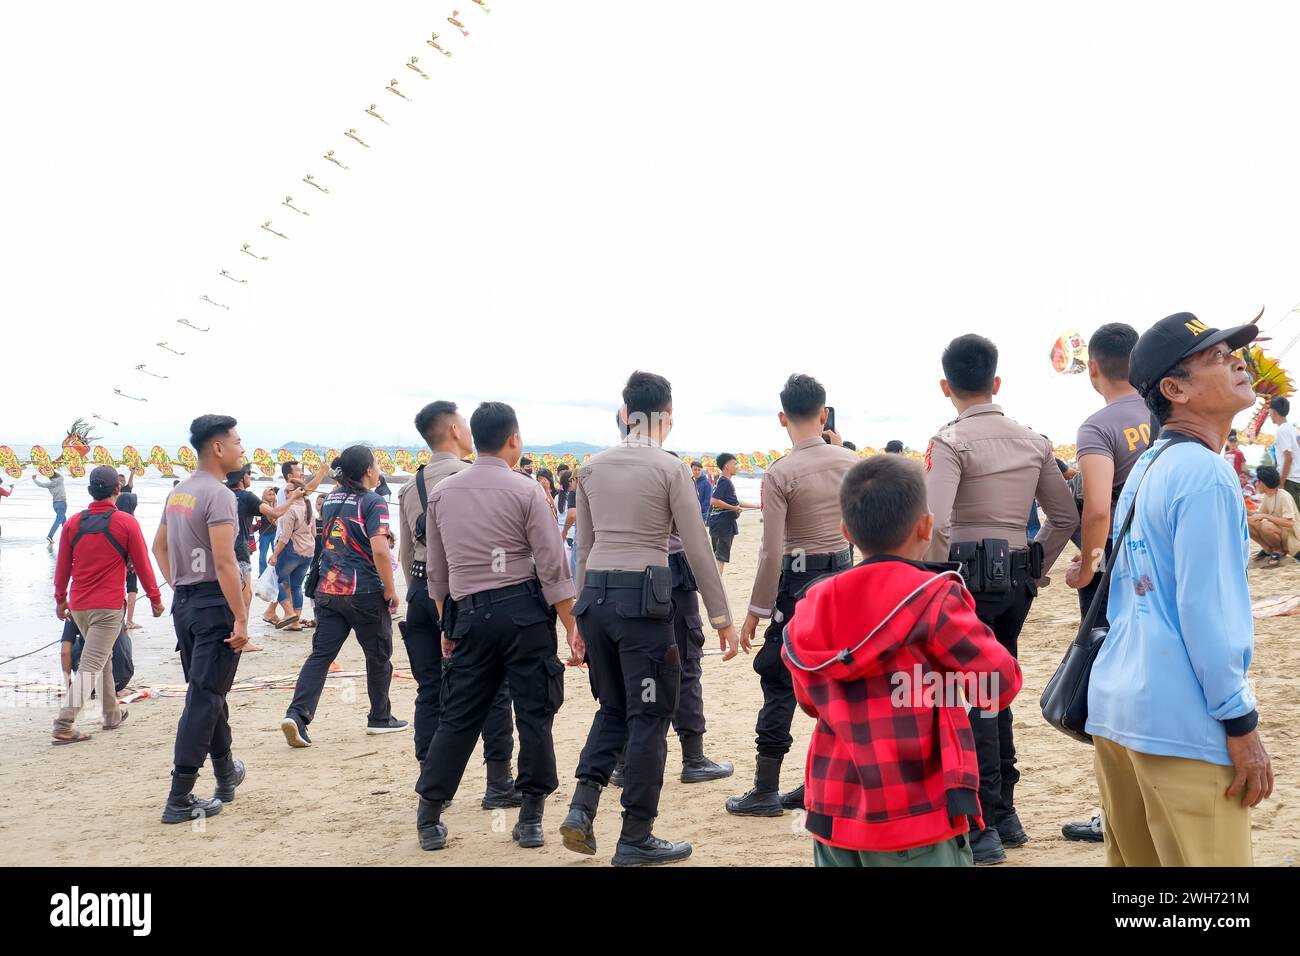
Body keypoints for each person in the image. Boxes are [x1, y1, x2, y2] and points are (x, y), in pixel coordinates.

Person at [1088, 312, 1272, 866]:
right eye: (1216, 357)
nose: (1237, 361)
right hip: (1181, 721)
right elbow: (1206, 613)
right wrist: (1239, 722)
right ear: (1174, 389)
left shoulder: (1149, 465)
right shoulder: (1205, 473)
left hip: (1119, 709)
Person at [783, 455, 1023, 867]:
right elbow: (998, 685)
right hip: (916, 812)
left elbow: (808, 700)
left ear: (846, 532)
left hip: (833, 806)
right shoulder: (935, 598)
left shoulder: (814, 603)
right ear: (927, 527)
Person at [561, 371, 739, 866]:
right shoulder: (670, 468)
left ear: (625, 415)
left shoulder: (590, 468)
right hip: (644, 606)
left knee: (613, 710)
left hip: (595, 600)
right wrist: (721, 614)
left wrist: (577, 622)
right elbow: (698, 545)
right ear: (669, 417)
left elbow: (585, 547)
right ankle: (635, 835)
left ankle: (582, 807)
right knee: (650, 716)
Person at [922, 334, 1078, 864]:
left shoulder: (949, 442)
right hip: (1015, 582)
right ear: (996, 382)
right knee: (996, 686)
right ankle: (1005, 812)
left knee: (969, 696)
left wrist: (934, 580)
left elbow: (935, 523)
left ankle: (985, 822)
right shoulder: (1033, 441)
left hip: (964, 579)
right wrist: (1035, 565)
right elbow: (1065, 518)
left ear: (946, 386)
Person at [414, 402, 577, 852]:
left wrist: (449, 622)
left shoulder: (444, 493)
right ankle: (530, 818)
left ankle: (429, 815)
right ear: (513, 439)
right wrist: (570, 625)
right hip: (523, 614)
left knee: (459, 715)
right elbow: (551, 565)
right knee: (535, 713)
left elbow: (438, 573)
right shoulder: (526, 490)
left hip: (470, 616)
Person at [727, 373, 858, 817]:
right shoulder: (850, 463)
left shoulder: (780, 473)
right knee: (837, 681)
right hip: (842, 581)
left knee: (780, 680)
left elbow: (771, 550)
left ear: (782, 417)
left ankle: (765, 789)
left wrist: (755, 611)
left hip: (798, 587)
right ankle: (823, 780)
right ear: (823, 414)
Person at [1053, 323, 1157, 843]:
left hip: (1119, 574)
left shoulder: (1098, 427)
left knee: (1112, 688)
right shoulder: (1166, 414)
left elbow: (1097, 509)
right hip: (1166, 569)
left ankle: (1116, 811)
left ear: (1092, 367)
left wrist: (1088, 566)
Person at [397, 400, 521, 808]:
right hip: (462, 596)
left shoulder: (409, 486)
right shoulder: (469, 478)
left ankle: (431, 784)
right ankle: (498, 782)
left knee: (429, 690)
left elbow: (403, 551)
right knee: (492, 689)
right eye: (465, 424)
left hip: (418, 591)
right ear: (453, 429)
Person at [152, 414, 251, 824]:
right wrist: (242, 618)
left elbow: (158, 547)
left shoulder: (178, 492)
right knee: (204, 698)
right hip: (213, 604)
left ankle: (226, 773)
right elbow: (226, 562)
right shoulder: (220, 495)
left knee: (208, 692)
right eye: (238, 442)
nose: (242, 449)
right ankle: (180, 796)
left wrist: (180, 585)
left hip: (188, 606)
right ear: (217, 448)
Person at [280, 446, 407, 747]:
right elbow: (379, 549)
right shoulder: (374, 502)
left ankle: (297, 715)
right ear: (367, 471)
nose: (378, 470)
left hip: (327, 590)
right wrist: (391, 590)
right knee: (378, 655)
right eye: (375, 465)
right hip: (363, 591)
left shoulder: (332, 498)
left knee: (321, 656)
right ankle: (380, 717)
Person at [51, 465, 163, 744]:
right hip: (108, 607)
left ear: (90, 490)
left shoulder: (73, 523)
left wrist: (60, 600)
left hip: (79, 606)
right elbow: (142, 564)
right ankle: (64, 723)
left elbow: (63, 566)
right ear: (117, 490)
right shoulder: (126, 522)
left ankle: (111, 714)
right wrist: (156, 598)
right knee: (92, 662)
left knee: (103, 659)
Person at [267, 479, 314, 630]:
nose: (285, 493)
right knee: (296, 586)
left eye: (289, 491)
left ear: (298, 492)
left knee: (276, 580)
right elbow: (313, 533)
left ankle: (289, 613)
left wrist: (274, 554)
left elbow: (285, 537)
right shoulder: (308, 507)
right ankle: (295, 622)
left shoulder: (291, 509)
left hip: (292, 550)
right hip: (308, 551)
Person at [707, 452, 756, 575]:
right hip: (723, 524)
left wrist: (756, 505)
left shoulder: (723, 481)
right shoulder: (725, 481)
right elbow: (714, 501)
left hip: (718, 523)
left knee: (717, 555)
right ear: (727, 466)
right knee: (720, 557)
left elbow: (735, 501)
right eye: (735, 464)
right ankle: (717, 586)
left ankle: (714, 584)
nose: (737, 466)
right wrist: (733, 508)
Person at [61, 615, 134, 695]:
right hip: (121, 680)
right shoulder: (116, 605)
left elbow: (65, 653)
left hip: (89, 684)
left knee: (72, 643)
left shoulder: (74, 610)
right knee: (120, 636)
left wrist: (69, 687)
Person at [1248, 464, 1300, 565]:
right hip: (1280, 533)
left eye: (1258, 481)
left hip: (1292, 537)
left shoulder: (1283, 496)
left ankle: (1278, 551)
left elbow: (1290, 523)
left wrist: (1265, 516)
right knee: (1246, 521)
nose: (1256, 483)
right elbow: (1258, 515)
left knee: (1266, 525)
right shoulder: (1268, 495)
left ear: (1263, 483)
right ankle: (1268, 549)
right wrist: (1242, 509)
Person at [116, 474, 142, 630]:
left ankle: (118, 620)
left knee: (118, 588)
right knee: (132, 588)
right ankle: (129, 620)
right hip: (130, 561)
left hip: (115, 561)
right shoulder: (132, 522)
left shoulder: (113, 518)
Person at [1269, 396, 1299, 513]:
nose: (1269, 414)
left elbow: (1288, 458)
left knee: (1290, 521)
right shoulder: (1293, 429)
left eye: (1270, 411)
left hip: (1290, 481)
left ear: (1274, 411)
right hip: (1296, 480)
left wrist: (1281, 483)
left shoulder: (1282, 430)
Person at [34, 471, 68, 546]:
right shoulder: (60, 480)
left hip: (55, 504)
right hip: (61, 503)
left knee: (63, 520)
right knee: (58, 520)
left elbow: (40, 484)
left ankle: (67, 536)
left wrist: (34, 479)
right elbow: (60, 475)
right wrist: (52, 469)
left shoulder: (49, 484)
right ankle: (50, 536)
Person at [255, 487, 279, 577]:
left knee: (276, 554)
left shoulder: (277, 505)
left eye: (273, 494)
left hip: (275, 533)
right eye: (269, 494)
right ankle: (262, 574)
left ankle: (276, 573)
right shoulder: (261, 506)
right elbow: (257, 521)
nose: (272, 496)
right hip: (264, 534)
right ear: (264, 496)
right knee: (262, 555)